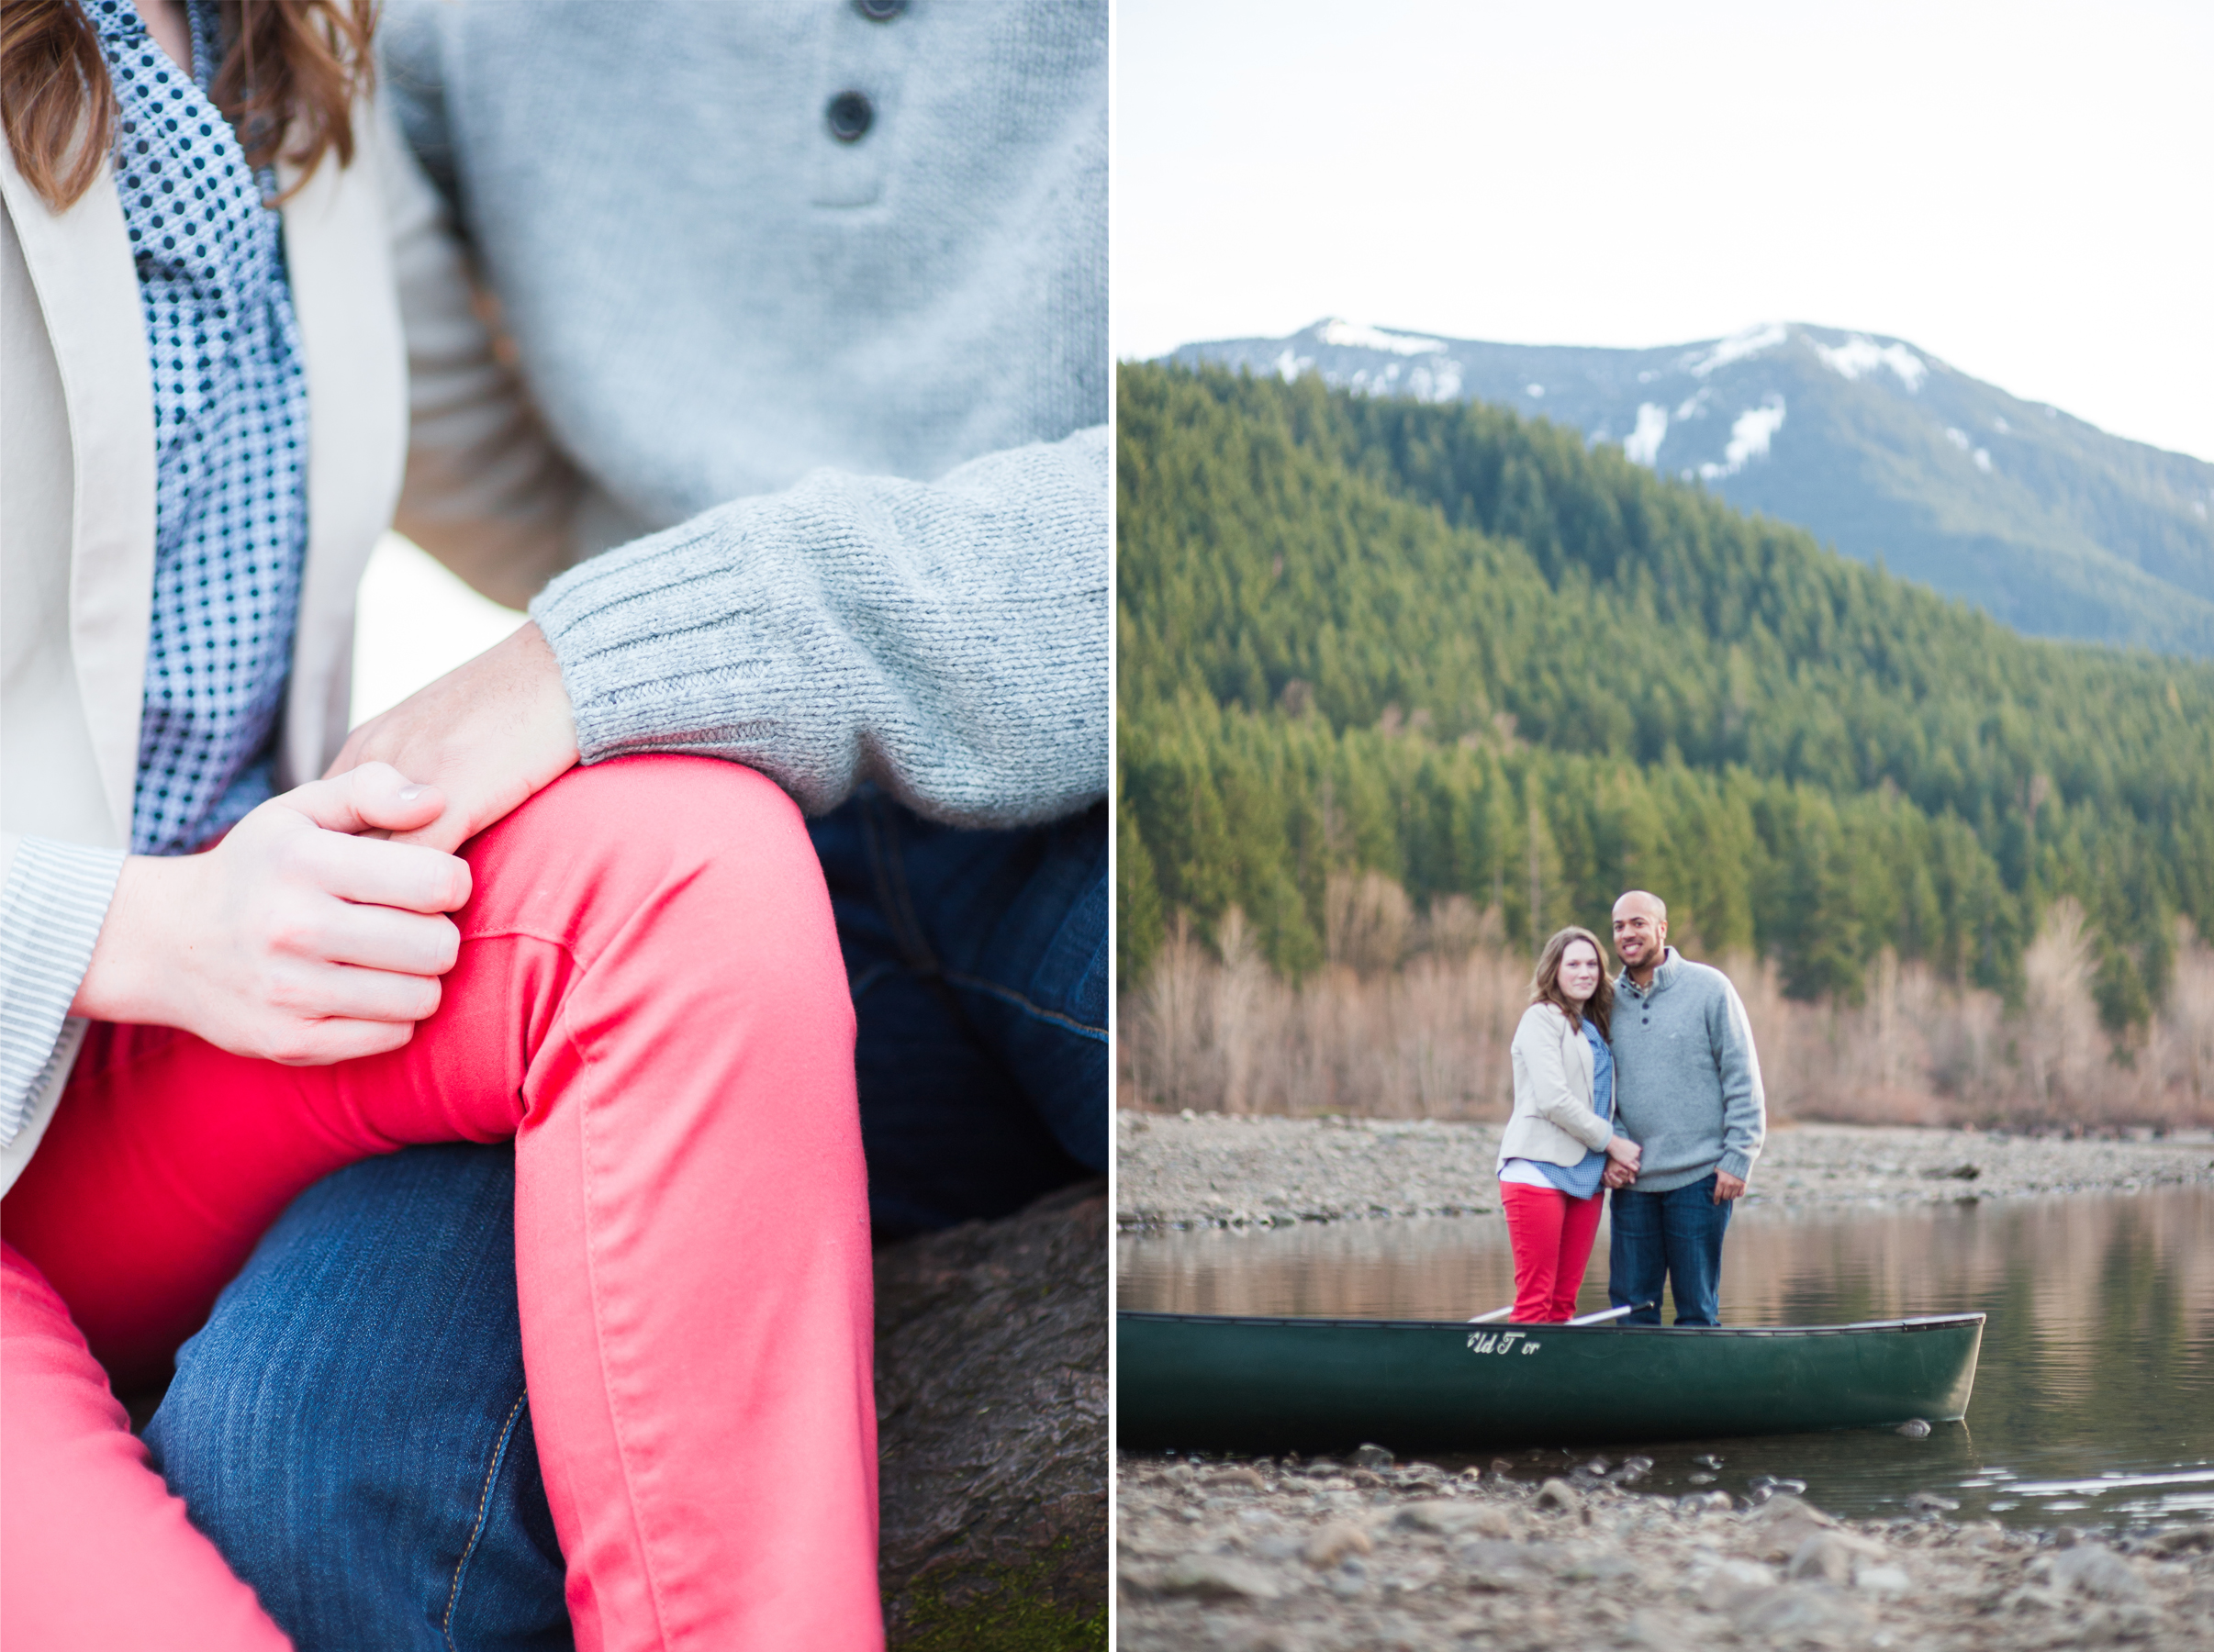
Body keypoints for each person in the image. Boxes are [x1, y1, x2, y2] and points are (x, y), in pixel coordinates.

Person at [140, 0, 1109, 1642]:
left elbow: (1270, 494)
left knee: (1418, 1186)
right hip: (693, 792)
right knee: (309, 1452)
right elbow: (397, 346)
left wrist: (636, 641)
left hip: (1137, 774)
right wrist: (625, 618)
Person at [0, 2, 888, 1646]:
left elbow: (483, 453)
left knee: (678, 854)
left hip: (142, 1070)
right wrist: (136, 931)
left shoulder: (289, 46)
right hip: (118, 959)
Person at [1604, 890, 1766, 1326]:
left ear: (1662, 928)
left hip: (1700, 1178)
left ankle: (1696, 1395)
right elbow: (1599, 1088)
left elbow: (1742, 1077)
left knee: (1696, 1310)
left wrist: (1739, 1158)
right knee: (1631, 1311)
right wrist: (1611, 1149)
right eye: (1618, 926)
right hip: (1633, 1182)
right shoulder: (1604, 1002)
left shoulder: (1710, 988)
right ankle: (1641, 1395)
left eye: (1638, 923)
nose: (1627, 934)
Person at [1498, 928, 1642, 1322]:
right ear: (1554, 971)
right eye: (1573, 964)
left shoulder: (1595, 1027)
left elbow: (1602, 1100)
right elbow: (1553, 1100)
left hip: (1586, 1178)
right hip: (1537, 1170)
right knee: (1535, 1300)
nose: (1585, 972)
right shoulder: (1540, 1018)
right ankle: (1519, 1381)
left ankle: (1554, 1384)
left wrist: (1609, 1154)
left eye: (1592, 964)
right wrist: (1612, 1143)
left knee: (1563, 1304)